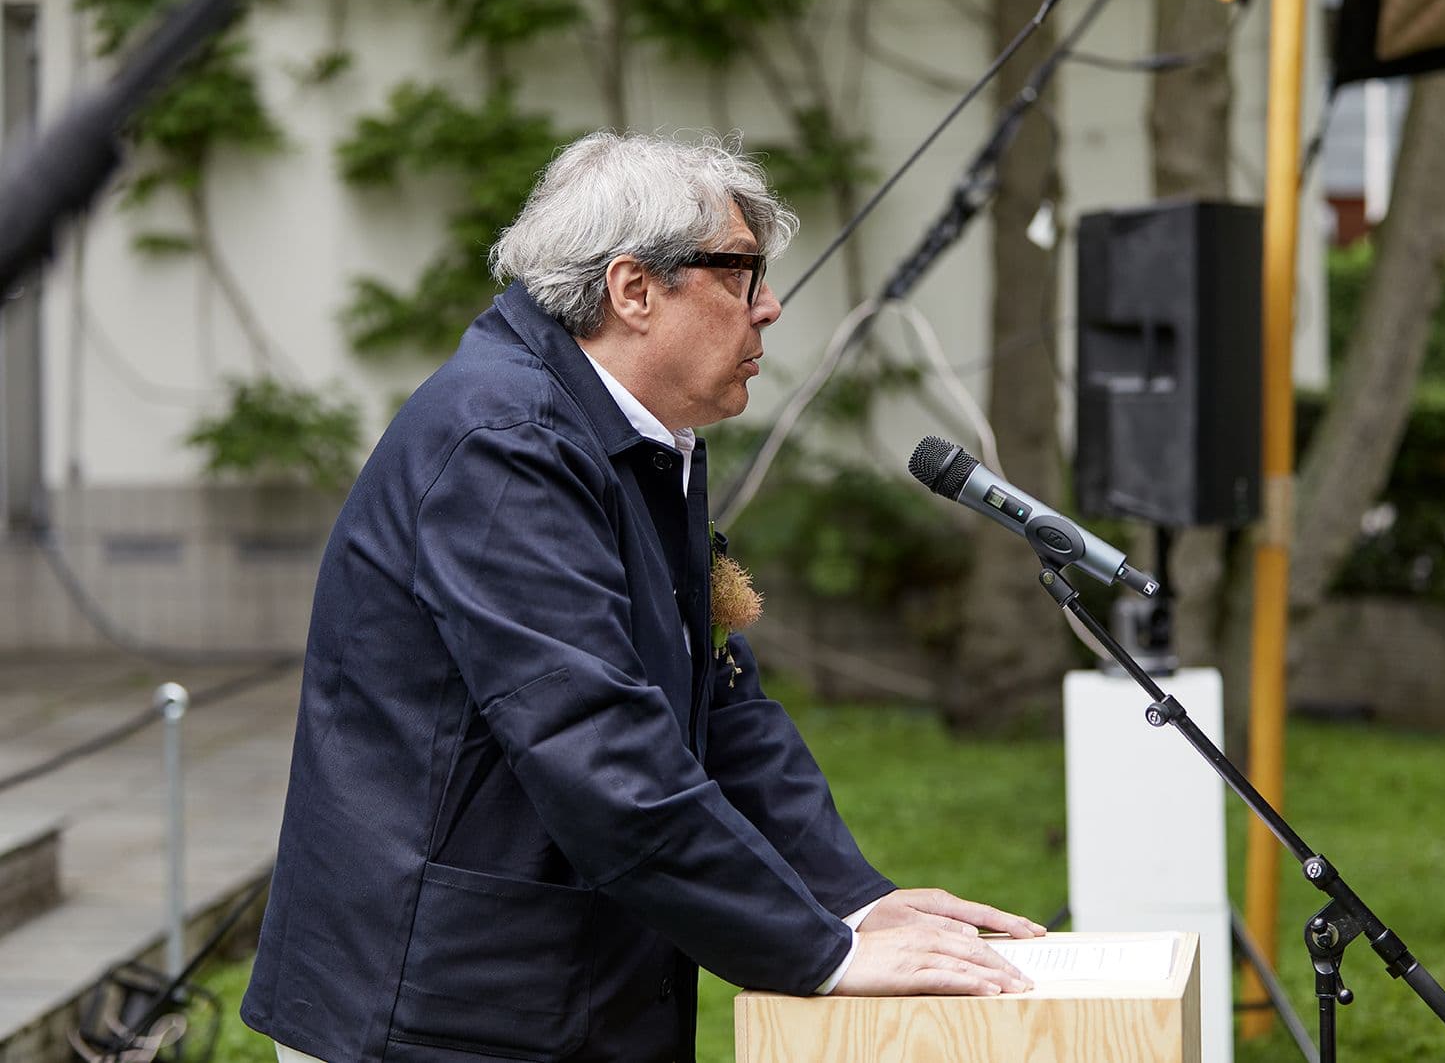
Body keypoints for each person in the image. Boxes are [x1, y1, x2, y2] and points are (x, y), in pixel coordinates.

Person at [240, 131, 1043, 1063]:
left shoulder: (627, 429)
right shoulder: (503, 446)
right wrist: (821, 953)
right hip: (434, 1011)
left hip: (542, 997)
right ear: (632, 290)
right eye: (742, 273)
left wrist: (852, 899)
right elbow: (596, 746)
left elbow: (719, 703)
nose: (770, 307)